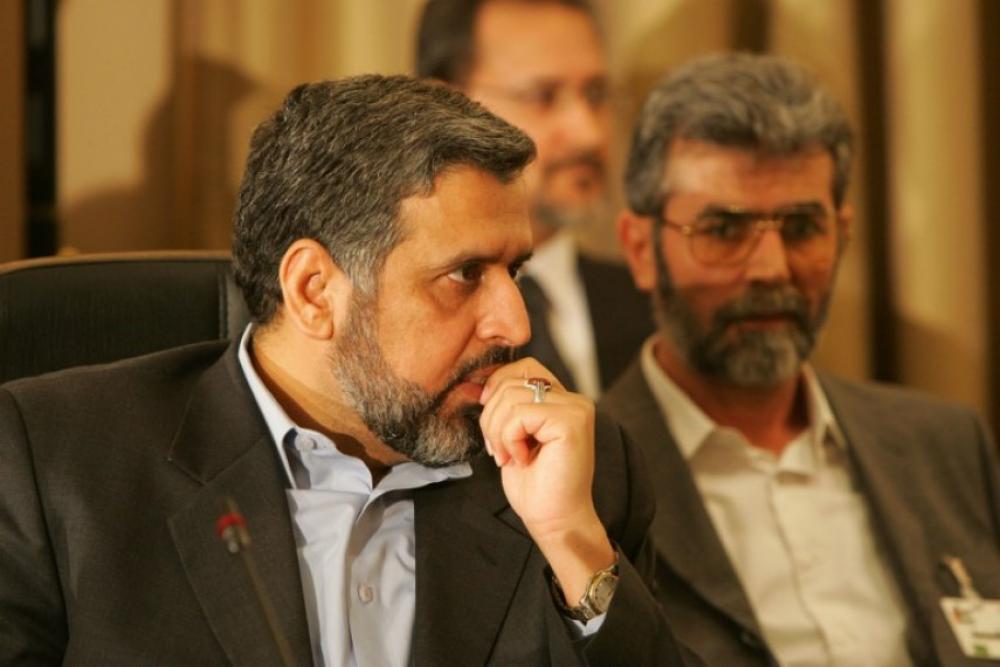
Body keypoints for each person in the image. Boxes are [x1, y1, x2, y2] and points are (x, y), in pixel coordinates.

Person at [0, 75, 696, 666]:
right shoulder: (55, 466)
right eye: (465, 274)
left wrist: (573, 544)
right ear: (314, 291)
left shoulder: (580, 474)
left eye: (513, 271)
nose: (515, 324)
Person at [602, 52, 1000, 666]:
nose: (772, 268)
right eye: (724, 230)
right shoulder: (587, 479)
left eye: (802, 227)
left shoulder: (945, 445)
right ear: (641, 250)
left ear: (842, 233)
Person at [415, 0, 653, 398]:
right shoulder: (393, 321)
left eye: (596, 94)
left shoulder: (655, 309)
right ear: (444, 108)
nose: (589, 133)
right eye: (543, 96)